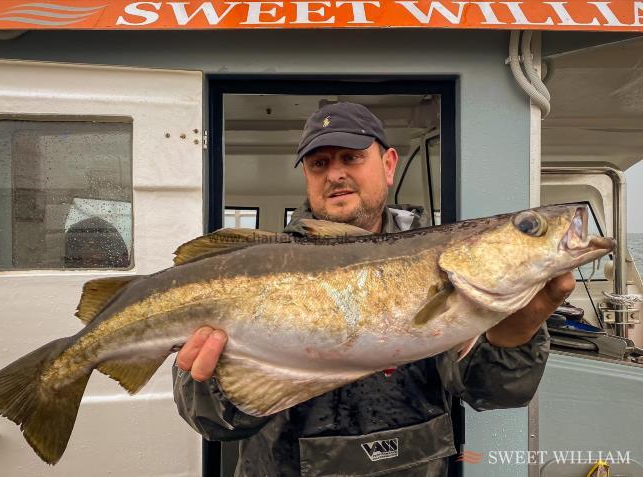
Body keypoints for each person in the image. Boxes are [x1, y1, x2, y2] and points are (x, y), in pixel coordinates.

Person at [172, 102, 575, 476]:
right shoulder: (264, 267)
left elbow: (492, 395)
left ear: (388, 164)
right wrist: (213, 384)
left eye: (351, 158)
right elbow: (210, 421)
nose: (335, 174)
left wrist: (513, 337)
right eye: (319, 163)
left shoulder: (445, 264)